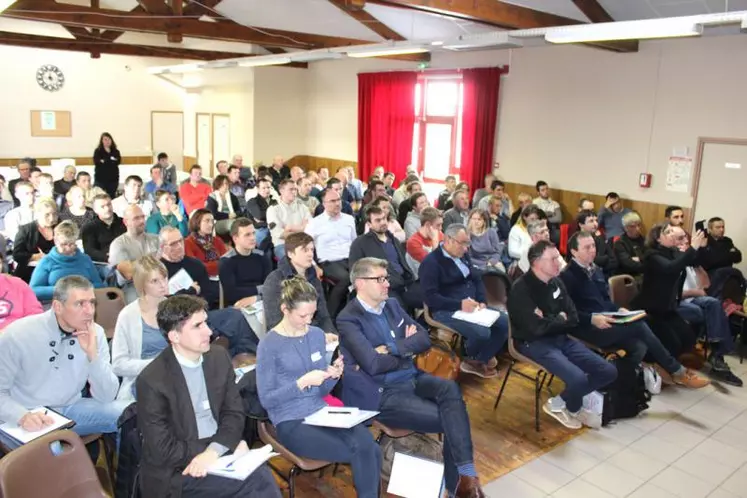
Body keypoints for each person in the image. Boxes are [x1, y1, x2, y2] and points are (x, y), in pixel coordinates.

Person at [338, 257, 487, 498]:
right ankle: (461, 484)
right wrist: (406, 347)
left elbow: (424, 339)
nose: (387, 284)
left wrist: (392, 347)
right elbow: (373, 365)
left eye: (386, 278)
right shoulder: (348, 319)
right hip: (383, 392)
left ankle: (461, 481)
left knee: (450, 391)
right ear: (359, 283)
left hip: (412, 378)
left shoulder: (392, 305)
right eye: (380, 279)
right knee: (451, 418)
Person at [137, 295, 282, 498]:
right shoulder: (152, 380)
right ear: (174, 336)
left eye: (206, 322)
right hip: (179, 469)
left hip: (217, 452)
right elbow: (163, 449)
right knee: (258, 481)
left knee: (259, 478)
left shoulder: (218, 357)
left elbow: (234, 412)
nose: (209, 331)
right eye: (197, 326)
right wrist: (215, 450)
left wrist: (216, 450)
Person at [256, 277, 381, 498]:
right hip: (290, 421)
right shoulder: (269, 344)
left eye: (312, 315)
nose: (308, 321)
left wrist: (332, 374)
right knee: (362, 451)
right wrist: (301, 383)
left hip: (321, 412)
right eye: (302, 316)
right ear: (285, 309)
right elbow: (267, 400)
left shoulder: (315, 335)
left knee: (369, 445)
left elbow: (320, 391)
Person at [560, 231, 709, 389]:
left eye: (593, 246)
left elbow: (604, 301)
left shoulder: (595, 269)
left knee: (639, 346)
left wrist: (619, 310)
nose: (592, 250)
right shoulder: (567, 276)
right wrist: (591, 319)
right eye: (586, 247)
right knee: (638, 325)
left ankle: (615, 380)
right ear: (574, 252)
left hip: (606, 319)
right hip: (587, 326)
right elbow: (568, 312)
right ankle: (678, 371)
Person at [0, 276, 128, 439]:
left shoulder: (96, 333)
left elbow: (107, 396)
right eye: (80, 304)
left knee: (132, 414)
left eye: (92, 303)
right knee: (53, 456)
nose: (89, 311)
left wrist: (92, 357)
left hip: (70, 409)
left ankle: (129, 464)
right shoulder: (18, 334)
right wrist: (21, 416)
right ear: (57, 307)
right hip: (26, 413)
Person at [507, 240, 618, 429]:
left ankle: (560, 403)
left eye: (558, 257)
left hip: (560, 338)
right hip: (532, 342)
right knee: (578, 378)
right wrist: (559, 318)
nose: (559, 262)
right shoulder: (521, 289)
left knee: (608, 371)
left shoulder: (556, 282)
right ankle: (572, 407)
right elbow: (535, 328)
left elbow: (573, 318)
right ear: (537, 263)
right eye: (553, 259)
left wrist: (551, 319)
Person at [420, 224, 509, 378]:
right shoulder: (431, 263)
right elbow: (431, 298)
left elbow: (477, 278)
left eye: (468, 243)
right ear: (448, 240)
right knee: (483, 332)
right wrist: (460, 305)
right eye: (463, 243)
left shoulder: (463, 255)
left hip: (472, 306)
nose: (467, 248)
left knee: (506, 322)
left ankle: (476, 360)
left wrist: (482, 301)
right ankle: (474, 357)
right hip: (446, 309)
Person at [674, 228, 742, 386]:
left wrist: (696, 264)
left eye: (686, 239)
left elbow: (706, 284)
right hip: (680, 301)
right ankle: (718, 355)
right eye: (680, 240)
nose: (685, 242)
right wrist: (697, 292)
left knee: (714, 304)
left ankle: (717, 353)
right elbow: (675, 294)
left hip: (693, 298)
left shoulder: (690, 260)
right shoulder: (673, 261)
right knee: (709, 310)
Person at [631, 223, 704, 359]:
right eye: (668, 232)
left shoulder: (672, 252)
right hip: (651, 309)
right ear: (658, 239)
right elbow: (670, 268)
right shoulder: (651, 255)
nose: (673, 234)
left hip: (667, 308)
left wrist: (699, 247)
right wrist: (692, 248)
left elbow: (691, 260)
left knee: (688, 338)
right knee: (673, 344)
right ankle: (657, 367)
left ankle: (674, 367)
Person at [112, 256, 169, 402]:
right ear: (141, 284)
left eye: (164, 278)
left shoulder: (175, 308)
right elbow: (118, 365)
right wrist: (156, 364)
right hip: (143, 381)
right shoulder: (128, 315)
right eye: (155, 281)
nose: (163, 284)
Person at [350, 206, 423, 312]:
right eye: (378, 220)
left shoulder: (394, 240)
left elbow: (403, 264)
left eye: (384, 218)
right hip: (384, 286)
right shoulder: (360, 243)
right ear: (369, 224)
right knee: (399, 310)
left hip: (405, 283)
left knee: (429, 299)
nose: (383, 222)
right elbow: (355, 271)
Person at [263, 232, 336, 335]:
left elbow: (323, 315)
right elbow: (275, 321)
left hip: (314, 333)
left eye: (312, 250)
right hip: (287, 337)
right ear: (290, 254)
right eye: (305, 250)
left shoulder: (313, 279)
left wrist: (331, 333)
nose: (310, 254)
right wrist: (317, 335)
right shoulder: (275, 279)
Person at [305, 188, 356, 318]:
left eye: (338, 200)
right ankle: (329, 316)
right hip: (329, 262)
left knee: (365, 276)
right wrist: (314, 266)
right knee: (347, 278)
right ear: (324, 204)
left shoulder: (349, 219)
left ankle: (353, 314)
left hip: (350, 259)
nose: (337, 203)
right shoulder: (315, 223)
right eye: (332, 201)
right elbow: (305, 247)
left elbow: (355, 243)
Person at [30, 221, 104, 301]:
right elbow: (34, 290)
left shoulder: (85, 259)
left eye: (72, 244)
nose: (68, 248)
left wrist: (81, 289)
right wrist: (64, 291)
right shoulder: (47, 261)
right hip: (55, 304)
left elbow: (99, 285)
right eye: (64, 244)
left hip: (84, 302)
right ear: (55, 241)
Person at [109, 205, 160, 302]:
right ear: (125, 222)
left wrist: (138, 263)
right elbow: (129, 273)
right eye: (136, 218)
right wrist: (155, 260)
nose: (142, 221)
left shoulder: (156, 238)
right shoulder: (118, 244)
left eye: (143, 217)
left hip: (158, 282)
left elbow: (166, 263)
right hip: (133, 287)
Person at [160, 226, 219, 308]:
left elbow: (208, 295)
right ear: (162, 247)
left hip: (198, 311)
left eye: (181, 241)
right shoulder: (158, 270)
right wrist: (191, 291)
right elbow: (162, 302)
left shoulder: (196, 264)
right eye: (173, 244)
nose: (179, 246)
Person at [218, 218, 271, 307]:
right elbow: (231, 294)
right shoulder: (226, 261)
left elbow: (270, 286)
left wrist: (256, 298)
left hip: (262, 299)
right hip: (238, 304)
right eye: (247, 235)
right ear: (235, 238)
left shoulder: (262, 256)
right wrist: (260, 289)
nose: (253, 238)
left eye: (253, 233)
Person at [13, 198, 59, 282]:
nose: (52, 218)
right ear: (38, 214)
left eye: (54, 214)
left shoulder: (59, 227)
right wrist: (36, 256)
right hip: (31, 273)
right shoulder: (26, 230)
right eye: (47, 215)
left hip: (55, 270)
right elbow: (17, 255)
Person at [267, 179, 310, 260]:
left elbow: (310, 228)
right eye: (291, 189)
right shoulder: (273, 209)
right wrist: (301, 228)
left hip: (303, 243)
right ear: (281, 191)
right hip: (283, 245)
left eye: (295, 189)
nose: (294, 192)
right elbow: (280, 234)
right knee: (295, 259)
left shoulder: (302, 207)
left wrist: (290, 228)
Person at [81, 194, 127, 263]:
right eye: (102, 206)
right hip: (104, 264)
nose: (107, 209)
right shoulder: (89, 228)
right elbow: (89, 251)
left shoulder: (125, 222)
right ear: (95, 210)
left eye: (109, 204)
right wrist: (108, 257)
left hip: (127, 258)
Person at [184, 209, 228, 278]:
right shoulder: (188, 242)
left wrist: (211, 265)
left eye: (212, 221)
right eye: (207, 221)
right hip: (202, 280)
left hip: (222, 277)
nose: (211, 224)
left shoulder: (217, 240)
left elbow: (227, 263)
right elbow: (196, 268)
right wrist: (219, 264)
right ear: (197, 222)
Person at [576, 209, 617, 276]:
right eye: (591, 221)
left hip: (602, 275)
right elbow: (590, 263)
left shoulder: (599, 237)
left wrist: (601, 263)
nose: (596, 224)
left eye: (596, 220)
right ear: (581, 224)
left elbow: (614, 261)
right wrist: (605, 258)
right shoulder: (577, 240)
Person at [406, 207, 443, 279]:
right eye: (438, 225)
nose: (441, 228)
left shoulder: (440, 234)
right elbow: (432, 265)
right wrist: (435, 242)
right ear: (428, 225)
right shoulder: (413, 242)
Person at [613, 211, 646, 280]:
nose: (637, 228)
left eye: (639, 225)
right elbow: (629, 265)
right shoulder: (620, 243)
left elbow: (651, 257)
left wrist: (639, 259)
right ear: (625, 228)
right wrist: (647, 263)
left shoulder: (645, 240)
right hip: (628, 278)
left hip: (643, 275)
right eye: (633, 226)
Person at [244, 178, 275, 251]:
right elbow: (260, 215)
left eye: (268, 187)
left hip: (273, 227)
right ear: (258, 189)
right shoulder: (252, 201)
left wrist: (266, 220)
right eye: (263, 188)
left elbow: (280, 216)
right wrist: (272, 219)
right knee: (267, 248)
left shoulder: (274, 201)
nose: (267, 190)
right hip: (259, 229)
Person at [93, 132, 121, 197]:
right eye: (105, 139)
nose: (107, 141)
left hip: (113, 180)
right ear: (102, 141)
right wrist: (111, 160)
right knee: (98, 196)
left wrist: (104, 161)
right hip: (100, 179)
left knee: (111, 197)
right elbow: (97, 161)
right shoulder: (98, 151)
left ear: (111, 140)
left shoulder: (116, 151)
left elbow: (118, 161)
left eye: (109, 139)